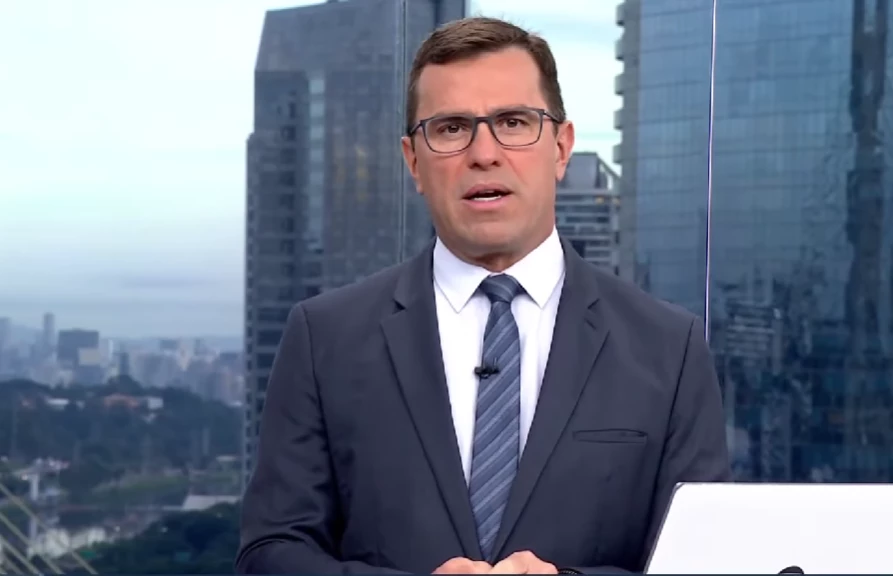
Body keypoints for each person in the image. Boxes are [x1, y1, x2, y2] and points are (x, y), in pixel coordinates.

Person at [236, 16, 731, 575]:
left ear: (561, 148)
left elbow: (705, 564)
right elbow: (270, 554)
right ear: (414, 161)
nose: (484, 153)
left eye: (513, 122)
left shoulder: (668, 348)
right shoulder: (324, 338)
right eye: (451, 128)